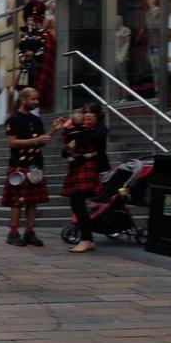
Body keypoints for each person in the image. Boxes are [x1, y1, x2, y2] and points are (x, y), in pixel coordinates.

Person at [1, 87, 64, 247]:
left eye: (37, 99)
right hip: (19, 165)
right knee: (18, 201)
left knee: (33, 202)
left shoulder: (36, 120)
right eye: (33, 99)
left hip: (35, 165)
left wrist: (53, 129)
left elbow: (43, 140)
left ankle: (30, 232)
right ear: (24, 100)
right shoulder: (13, 118)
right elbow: (12, 142)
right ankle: (13, 233)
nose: (36, 102)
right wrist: (35, 141)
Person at [62, 103, 109, 253]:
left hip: (89, 169)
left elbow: (94, 139)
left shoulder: (99, 128)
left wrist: (76, 138)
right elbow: (66, 148)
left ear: (97, 115)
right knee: (76, 204)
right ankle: (87, 239)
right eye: (85, 112)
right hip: (78, 167)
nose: (88, 115)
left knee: (77, 203)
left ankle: (86, 239)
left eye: (91, 113)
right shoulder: (81, 129)